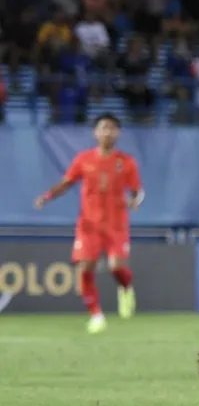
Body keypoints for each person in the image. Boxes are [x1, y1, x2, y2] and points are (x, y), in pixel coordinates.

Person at [34, 113, 143, 333]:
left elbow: (137, 191)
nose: (107, 132)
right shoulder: (84, 160)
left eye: (112, 128)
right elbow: (67, 182)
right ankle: (96, 315)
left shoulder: (126, 162)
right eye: (103, 128)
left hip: (116, 224)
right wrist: (47, 196)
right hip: (89, 225)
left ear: (118, 133)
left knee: (116, 267)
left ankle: (126, 287)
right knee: (84, 268)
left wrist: (134, 201)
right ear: (95, 132)